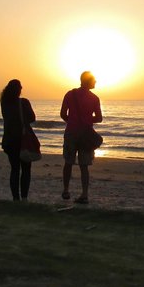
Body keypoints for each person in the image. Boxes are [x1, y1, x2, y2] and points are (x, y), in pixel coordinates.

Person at [60, 71, 103, 204]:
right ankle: (84, 194)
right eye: (94, 80)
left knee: (68, 163)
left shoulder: (70, 94)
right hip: (86, 134)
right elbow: (99, 118)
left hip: (71, 132)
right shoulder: (94, 98)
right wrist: (87, 119)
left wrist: (72, 121)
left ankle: (66, 190)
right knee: (84, 166)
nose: (95, 82)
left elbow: (62, 114)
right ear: (88, 81)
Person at [0, 79, 36, 201]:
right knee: (26, 170)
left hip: (9, 140)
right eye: (20, 87)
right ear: (18, 89)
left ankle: (15, 198)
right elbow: (32, 118)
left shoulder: (4, 103)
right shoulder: (24, 102)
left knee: (14, 169)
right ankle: (24, 197)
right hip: (22, 140)